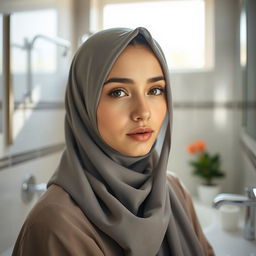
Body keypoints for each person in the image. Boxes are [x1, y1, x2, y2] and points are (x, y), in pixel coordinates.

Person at [12, 27, 214, 256]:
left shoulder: (174, 190)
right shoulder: (55, 224)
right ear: (84, 104)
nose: (143, 112)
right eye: (118, 92)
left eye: (155, 90)